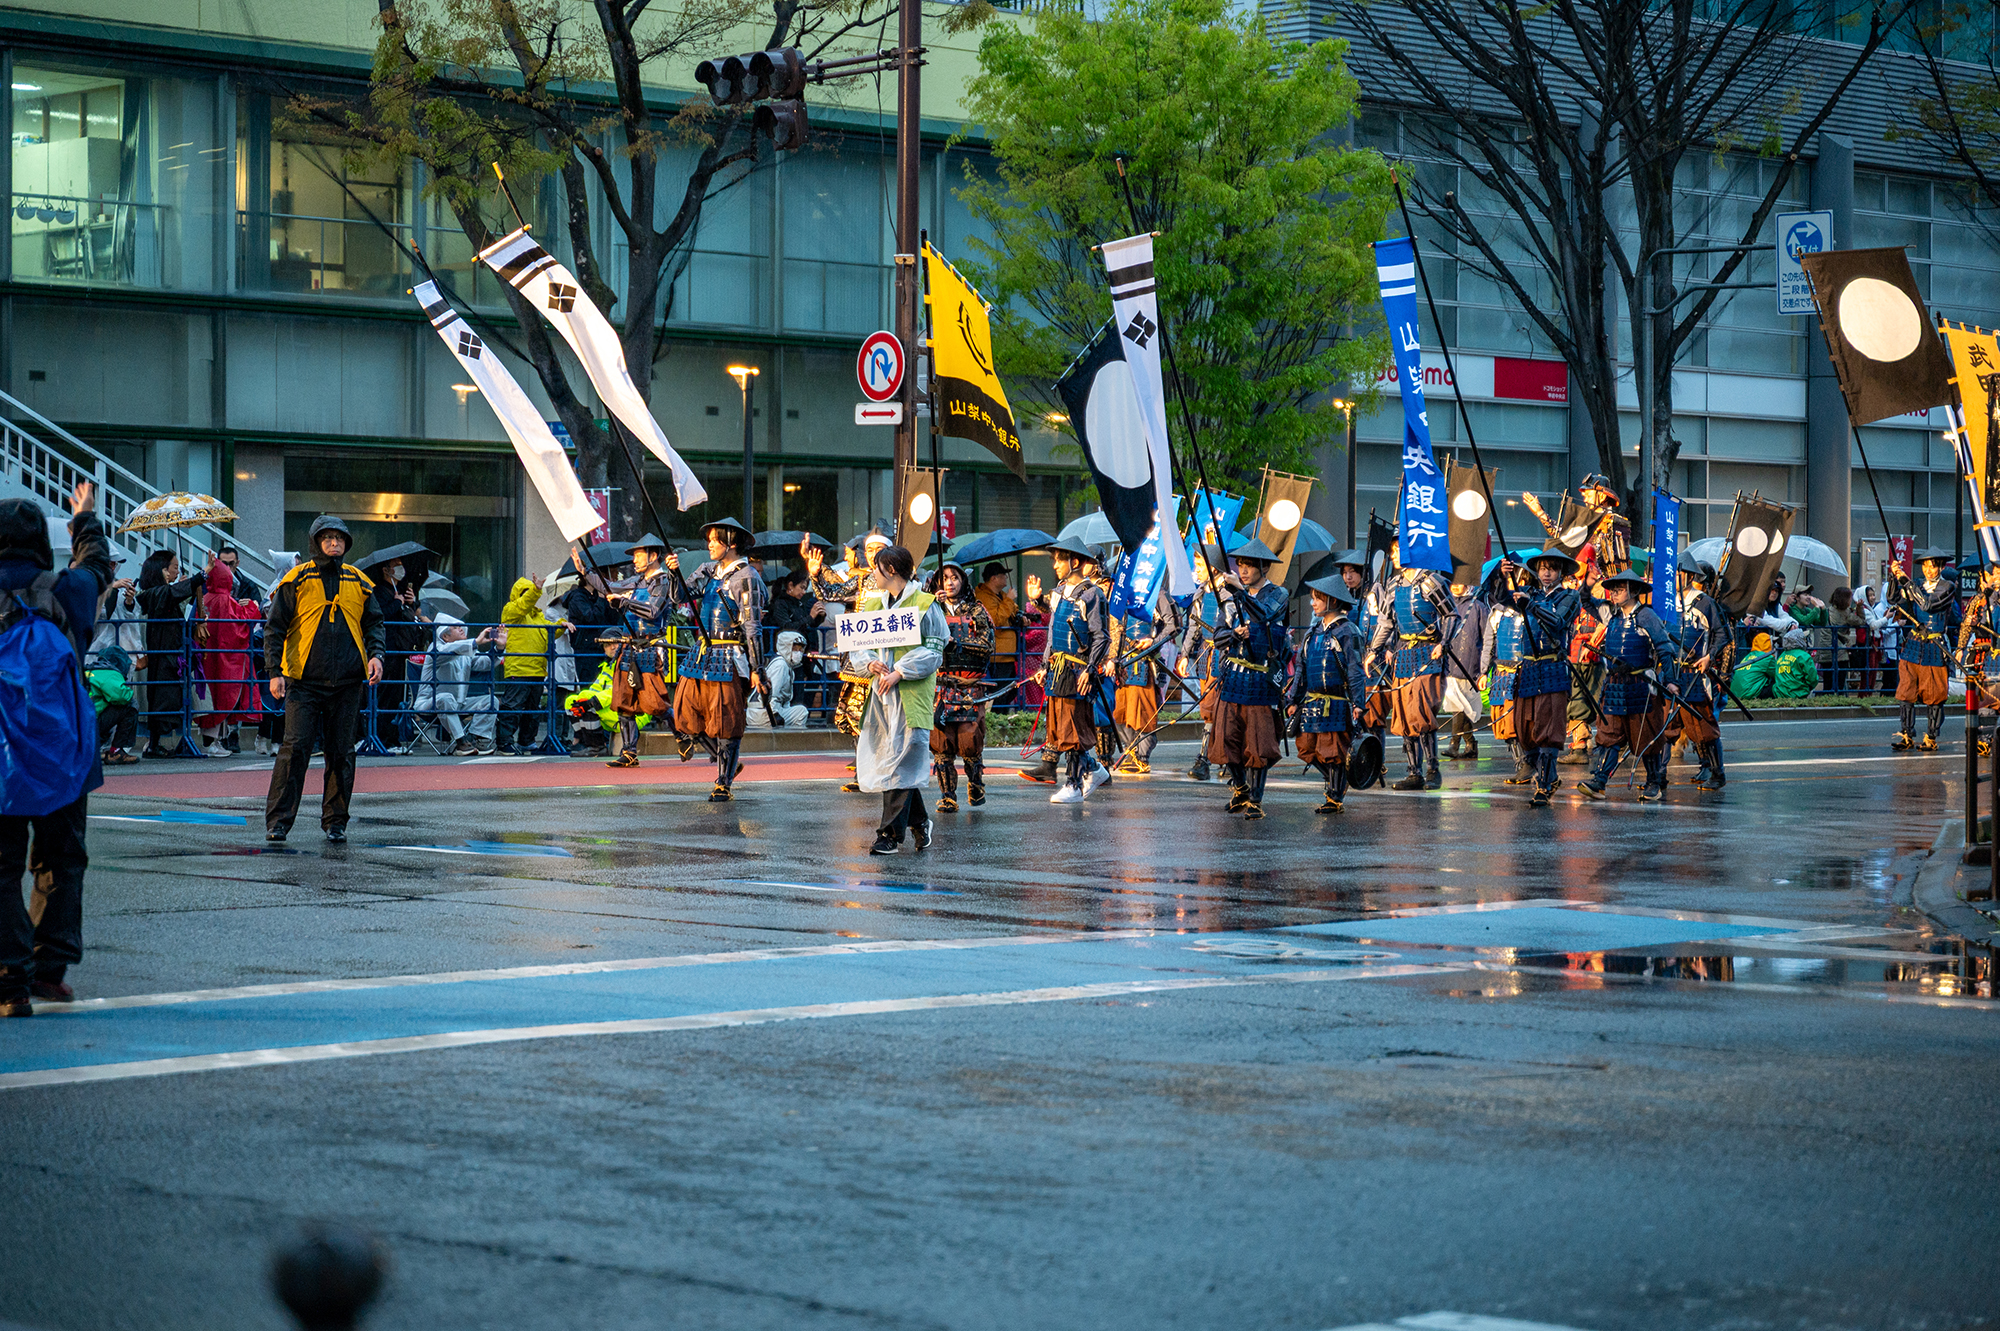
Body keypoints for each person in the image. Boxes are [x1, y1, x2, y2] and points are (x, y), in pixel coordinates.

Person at [0, 481, 113, 1013]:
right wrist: (83, 517)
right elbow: (98, 565)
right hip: (63, 751)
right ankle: (50, 969)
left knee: (1, 868)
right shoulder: (67, 589)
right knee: (62, 858)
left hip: (2, 754)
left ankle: (9, 979)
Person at [264, 516, 385, 843]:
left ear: (346, 543)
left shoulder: (359, 581)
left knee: (342, 753)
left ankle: (335, 822)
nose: (334, 543)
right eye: (327, 538)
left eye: (339, 538)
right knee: (295, 749)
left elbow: (375, 624)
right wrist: (275, 672)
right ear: (316, 542)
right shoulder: (297, 578)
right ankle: (278, 822)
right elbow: (274, 629)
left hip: (347, 682)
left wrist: (376, 655)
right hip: (303, 681)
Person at [853, 545, 949, 853]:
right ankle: (919, 822)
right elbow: (859, 646)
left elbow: (934, 650)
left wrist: (900, 671)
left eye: (877, 567)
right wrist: (870, 663)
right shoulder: (873, 605)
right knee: (893, 762)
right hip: (881, 696)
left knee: (901, 760)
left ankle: (889, 835)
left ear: (891, 570)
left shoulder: (925, 604)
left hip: (910, 695)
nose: (873, 573)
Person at [668, 517, 767, 801]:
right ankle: (725, 763)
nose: (709, 545)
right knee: (686, 709)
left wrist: (757, 667)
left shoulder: (747, 577)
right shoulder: (708, 570)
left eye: (715, 540)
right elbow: (679, 597)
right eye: (709, 540)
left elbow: (752, 626)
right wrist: (674, 573)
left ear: (731, 543)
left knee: (725, 720)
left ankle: (723, 781)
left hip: (729, 654)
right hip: (703, 651)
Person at [1205, 538, 1292, 819]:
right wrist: (1234, 633)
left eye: (1249, 565)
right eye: (1240, 565)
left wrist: (1242, 594)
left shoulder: (1279, 594)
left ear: (1264, 567)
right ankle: (1240, 787)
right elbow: (1218, 636)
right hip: (1233, 676)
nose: (1243, 570)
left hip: (1261, 677)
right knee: (1225, 737)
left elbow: (1265, 616)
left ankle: (1256, 798)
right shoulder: (1231, 598)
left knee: (1258, 741)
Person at [1578, 568, 1677, 802]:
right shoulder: (1611, 614)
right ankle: (1600, 781)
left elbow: (1664, 648)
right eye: (1612, 589)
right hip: (1614, 684)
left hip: (1641, 684)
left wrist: (1672, 681)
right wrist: (1587, 584)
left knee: (1646, 734)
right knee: (1609, 734)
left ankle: (1654, 782)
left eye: (1619, 589)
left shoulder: (1647, 616)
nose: (1614, 593)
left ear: (1633, 591)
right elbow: (1586, 602)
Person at [1366, 550, 1459, 791]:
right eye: (1392, 551)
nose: (1394, 555)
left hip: (1428, 653)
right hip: (1403, 655)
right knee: (1404, 715)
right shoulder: (1393, 585)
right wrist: (1374, 650)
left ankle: (1433, 770)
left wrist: (1443, 643)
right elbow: (1386, 622)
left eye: (1399, 549)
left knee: (1422, 713)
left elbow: (1451, 615)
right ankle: (1413, 772)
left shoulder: (1432, 581)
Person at [806, 527, 893, 785]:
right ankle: (862, 771)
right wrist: (815, 574)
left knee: (887, 718)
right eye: (869, 549)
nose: (873, 554)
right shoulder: (861, 581)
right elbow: (830, 594)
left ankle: (885, 770)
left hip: (889, 661)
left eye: (879, 549)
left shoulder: (902, 582)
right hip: (860, 661)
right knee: (856, 716)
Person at [1499, 548, 1581, 806]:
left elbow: (1558, 621)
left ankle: (1544, 785)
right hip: (1528, 668)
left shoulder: (1570, 596)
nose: (1547, 573)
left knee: (1548, 729)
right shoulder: (1530, 593)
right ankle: (1549, 776)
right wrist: (1503, 577)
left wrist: (1531, 606)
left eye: (1552, 569)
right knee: (1524, 729)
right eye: (1543, 568)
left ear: (1561, 572)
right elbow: (1501, 598)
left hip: (1552, 667)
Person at [1040, 535, 1113, 805]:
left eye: (1059, 560)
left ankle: (1073, 784)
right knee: (1060, 728)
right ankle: (1094, 769)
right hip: (1058, 668)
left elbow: (1102, 636)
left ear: (1075, 562)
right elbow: (1052, 633)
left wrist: (1090, 670)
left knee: (1073, 728)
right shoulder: (1058, 593)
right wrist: (1044, 665)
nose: (1055, 565)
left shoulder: (1093, 594)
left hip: (1079, 670)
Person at [1289, 573, 1368, 813]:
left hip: (1337, 702)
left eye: (1318, 599)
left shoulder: (1348, 631)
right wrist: (1293, 699)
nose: (1312, 603)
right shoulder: (1312, 631)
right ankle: (1338, 781)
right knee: (1306, 747)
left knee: (1334, 751)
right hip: (1312, 701)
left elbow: (1355, 669)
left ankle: (1334, 796)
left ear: (1332, 601)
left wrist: (1358, 703)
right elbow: (1301, 668)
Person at [603, 533, 676, 769]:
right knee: (624, 701)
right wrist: (585, 572)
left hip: (650, 648)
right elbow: (609, 586)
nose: (634, 560)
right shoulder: (636, 582)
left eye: (638, 555)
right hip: (628, 647)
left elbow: (653, 611)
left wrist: (624, 602)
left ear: (653, 556)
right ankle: (629, 752)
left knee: (655, 703)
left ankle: (683, 735)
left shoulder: (663, 581)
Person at [929, 560, 994, 810]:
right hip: (940, 683)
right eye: (944, 578)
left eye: (954, 577)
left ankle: (975, 783)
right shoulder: (931, 608)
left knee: (969, 740)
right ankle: (947, 795)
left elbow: (987, 645)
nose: (949, 583)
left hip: (968, 684)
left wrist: (957, 643)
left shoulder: (977, 610)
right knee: (941, 741)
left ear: (963, 581)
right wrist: (930, 606)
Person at [1888, 551, 1959, 751]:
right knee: (1906, 691)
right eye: (1925, 566)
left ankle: (1931, 737)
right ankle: (1906, 734)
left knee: (1935, 694)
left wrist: (1907, 582)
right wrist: (1894, 577)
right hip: (1913, 643)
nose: (1928, 570)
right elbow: (1893, 599)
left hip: (1935, 644)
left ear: (1941, 567)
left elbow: (1928, 605)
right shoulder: (1917, 584)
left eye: (1933, 566)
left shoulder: (1947, 587)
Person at [135, 548, 203, 758]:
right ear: (161, 570)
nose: (176, 571)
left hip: (171, 653)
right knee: (162, 697)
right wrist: (201, 576)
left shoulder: (159, 593)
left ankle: (156, 743)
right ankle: (154, 744)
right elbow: (171, 594)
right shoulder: (155, 593)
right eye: (173, 567)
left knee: (169, 696)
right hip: (164, 654)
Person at [1672, 553, 1731, 791]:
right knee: (1669, 725)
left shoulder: (1705, 603)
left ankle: (1717, 772)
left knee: (1703, 724)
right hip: (1672, 671)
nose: (1675, 577)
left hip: (1696, 671)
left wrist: (1709, 656)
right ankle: (1657, 777)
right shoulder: (1668, 602)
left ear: (1689, 576)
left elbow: (1723, 634)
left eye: (1679, 574)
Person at [197, 555, 261, 756]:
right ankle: (213, 743)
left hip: (207, 656)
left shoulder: (205, 598)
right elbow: (240, 624)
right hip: (224, 657)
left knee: (211, 697)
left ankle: (213, 742)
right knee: (222, 695)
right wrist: (252, 607)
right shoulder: (225, 600)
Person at [1112, 589, 1181, 775]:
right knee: (1120, 710)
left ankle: (1142, 756)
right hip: (1122, 660)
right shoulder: (1123, 588)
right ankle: (1131, 751)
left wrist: (1154, 641)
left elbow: (1172, 626)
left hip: (1146, 661)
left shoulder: (1158, 593)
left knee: (1143, 711)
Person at [412, 615, 499, 755]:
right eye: (455, 627)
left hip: (459, 704)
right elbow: (448, 651)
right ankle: (461, 743)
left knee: (491, 701)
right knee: (445, 698)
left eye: (460, 626)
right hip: (429, 703)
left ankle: (478, 740)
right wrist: (475, 642)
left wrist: (499, 648)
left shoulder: (465, 651)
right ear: (445, 636)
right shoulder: (436, 648)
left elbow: (485, 663)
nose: (461, 629)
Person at [497, 574, 563, 754]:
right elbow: (523, 605)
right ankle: (504, 742)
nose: (528, 596)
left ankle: (526, 741)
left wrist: (562, 625)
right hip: (519, 668)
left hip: (536, 669)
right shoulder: (511, 610)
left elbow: (548, 632)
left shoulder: (537, 616)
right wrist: (535, 590)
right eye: (524, 592)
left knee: (532, 710)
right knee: (513, 707)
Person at [1480, 558, 1531, 785]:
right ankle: (1520, 764)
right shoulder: (1497, 612)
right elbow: (1489, 644)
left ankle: (1528, 764)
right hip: (1502, 674)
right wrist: (1483, 672)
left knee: (1521, 723)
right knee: (1503, 724)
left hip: (1524, 673)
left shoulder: (1531, 609)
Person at [1441, 578, 1488, 760]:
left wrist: (1483, 667)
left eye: (1460, 582)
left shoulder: (1479, 607)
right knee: (1458, 705)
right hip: (1449, 661)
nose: (1455, 585)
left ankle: (1455, 744)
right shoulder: (1446, 605)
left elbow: (1486, 637)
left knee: (1461, 705)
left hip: (1470, 662)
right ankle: (1469, 743)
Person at [86, 643, 141, 765]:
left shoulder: (90, 670)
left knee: (105, 704)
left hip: (76, 724)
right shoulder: (109, 673)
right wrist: (129, 691)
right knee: (130, 705)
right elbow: (122, 696)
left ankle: (93, 750)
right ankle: (116, 751)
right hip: (90, 724)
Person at [750, 630, 812, 728]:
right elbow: (773, 694)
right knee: (801, 712)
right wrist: (774, 715)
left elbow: (785, 701)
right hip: (764, 712)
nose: (798, 653)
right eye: (795, 649)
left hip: (764, 711)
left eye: (800, 649)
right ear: (786, 647)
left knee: (798, 710)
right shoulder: (780, 665)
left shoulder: (787, 666)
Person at [975, 562, 1023, 681]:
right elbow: (995, 620)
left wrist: (1022, 619)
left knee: (1010, 687)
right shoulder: (984, 597)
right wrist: (1009, 600)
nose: (1006, 577)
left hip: (1007, 654)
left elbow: (1013, 610)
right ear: (994, 578)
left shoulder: (1001, 595)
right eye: (1003, 575)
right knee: (1000, 688)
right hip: (997, 656)